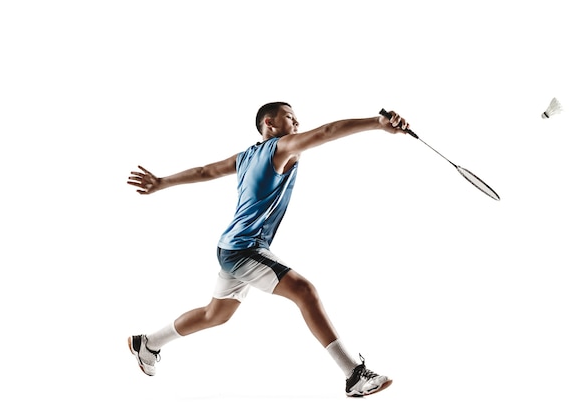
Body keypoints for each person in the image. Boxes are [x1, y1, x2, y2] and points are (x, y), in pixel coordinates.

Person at [126, 102, 409, 397]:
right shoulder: (280, 147)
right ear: (270, 124)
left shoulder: (246, 156)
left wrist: (161, 182)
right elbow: (327, 132)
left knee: (215, 315)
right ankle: (354, 375)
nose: (298, 122)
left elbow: (205, 171)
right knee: (305, 291)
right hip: (244, 248)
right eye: (290, 117)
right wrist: (376, 123)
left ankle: (148, 343)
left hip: (231, 246)